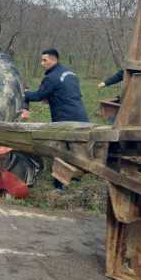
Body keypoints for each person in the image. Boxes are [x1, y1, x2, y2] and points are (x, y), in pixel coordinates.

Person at [21, 48, 88, 191]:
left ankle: (59, 185)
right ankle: (76, 175)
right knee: (76, 148)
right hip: (81, 116)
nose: (42, 63)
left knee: (61, 151)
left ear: (53, 60)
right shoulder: (70, 73)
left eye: (44, 60)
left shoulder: (51, 77)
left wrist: (25, 94)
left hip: (65, 119)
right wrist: (51, 97)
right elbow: (67, 92)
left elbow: (38, 96)